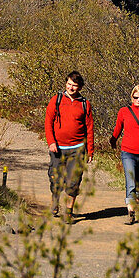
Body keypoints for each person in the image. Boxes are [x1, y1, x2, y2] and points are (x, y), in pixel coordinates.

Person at [44, 70, 94, 219]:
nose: (71, 88)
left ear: (80, 87)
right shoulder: (56, 99)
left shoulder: (84, 104)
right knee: (55, 178)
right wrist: (51, 142)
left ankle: (69, 211)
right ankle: (54, 201)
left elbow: (89, 128)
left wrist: (90, 150)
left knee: (74, 181)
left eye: (74, 85)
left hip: (77, 148)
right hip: (58, 148)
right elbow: (48, 122)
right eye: (69, 84)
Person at [110, 84, 139, 225]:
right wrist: (113, 139)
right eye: (136, 97)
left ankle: (135, 203)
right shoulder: (124, 111)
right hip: (128, 152)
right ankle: (130, 211)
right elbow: (118, 127)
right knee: (130, 182)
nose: (138, 100)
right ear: (132, 97)